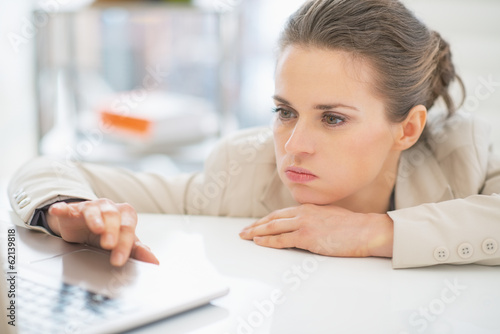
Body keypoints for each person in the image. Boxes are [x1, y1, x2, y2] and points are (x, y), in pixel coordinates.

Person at [9, 0, 500, 269]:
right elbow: (45, 169)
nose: (292, 145)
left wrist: (375, 232)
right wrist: (62, 211)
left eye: (332, 118)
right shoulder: (243, 171)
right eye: (285, 111)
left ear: (408, 128)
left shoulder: (464, 154)